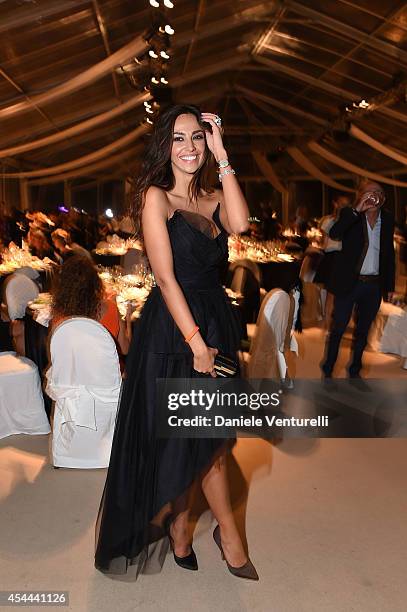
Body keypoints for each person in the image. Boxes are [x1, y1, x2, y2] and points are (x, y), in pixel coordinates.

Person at [94, 104, 258, 580]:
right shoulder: (155, 197)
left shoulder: (211, 197)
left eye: (197, 138)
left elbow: (242, 224)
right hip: (174, 331)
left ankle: (184, 529)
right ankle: (229, 537)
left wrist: (224, 153)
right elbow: (165, 280)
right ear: (165, 146)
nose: (189, 147)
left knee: (207, 440)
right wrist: (196, 344)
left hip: (215, 320)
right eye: (179, 139)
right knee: (191, 439)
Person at [321, 181, 395, 378]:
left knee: (363, 331)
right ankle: (328, 367)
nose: (374, 196)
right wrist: (357, 209)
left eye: (379, 192)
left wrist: (389, 286)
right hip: (350, 283)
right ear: (361, 195)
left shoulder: (387, 219)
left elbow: (388, 254)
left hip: (373, 285)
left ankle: (355, 370)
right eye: (370, 192)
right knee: (339, 327)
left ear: (384, 198)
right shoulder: (351, 214)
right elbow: (335, 233)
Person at [50, 254, 131, 356]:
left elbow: (55, 354)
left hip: (74, 371)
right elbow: (125, 349)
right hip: (106, 370)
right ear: (95, 283)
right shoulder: (111, 308)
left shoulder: (59, 316)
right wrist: (127, 321)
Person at [314, 191, 351, 326]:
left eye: (346, 204)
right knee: (330, 293)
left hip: (344, 258)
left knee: (342, 293)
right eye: (341, 204)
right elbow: (324, 242)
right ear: (335, 204)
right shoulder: (328, 220)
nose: (343, 206)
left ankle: (335, 321)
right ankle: (327, 322)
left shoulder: (350, 222)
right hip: (332, 257)